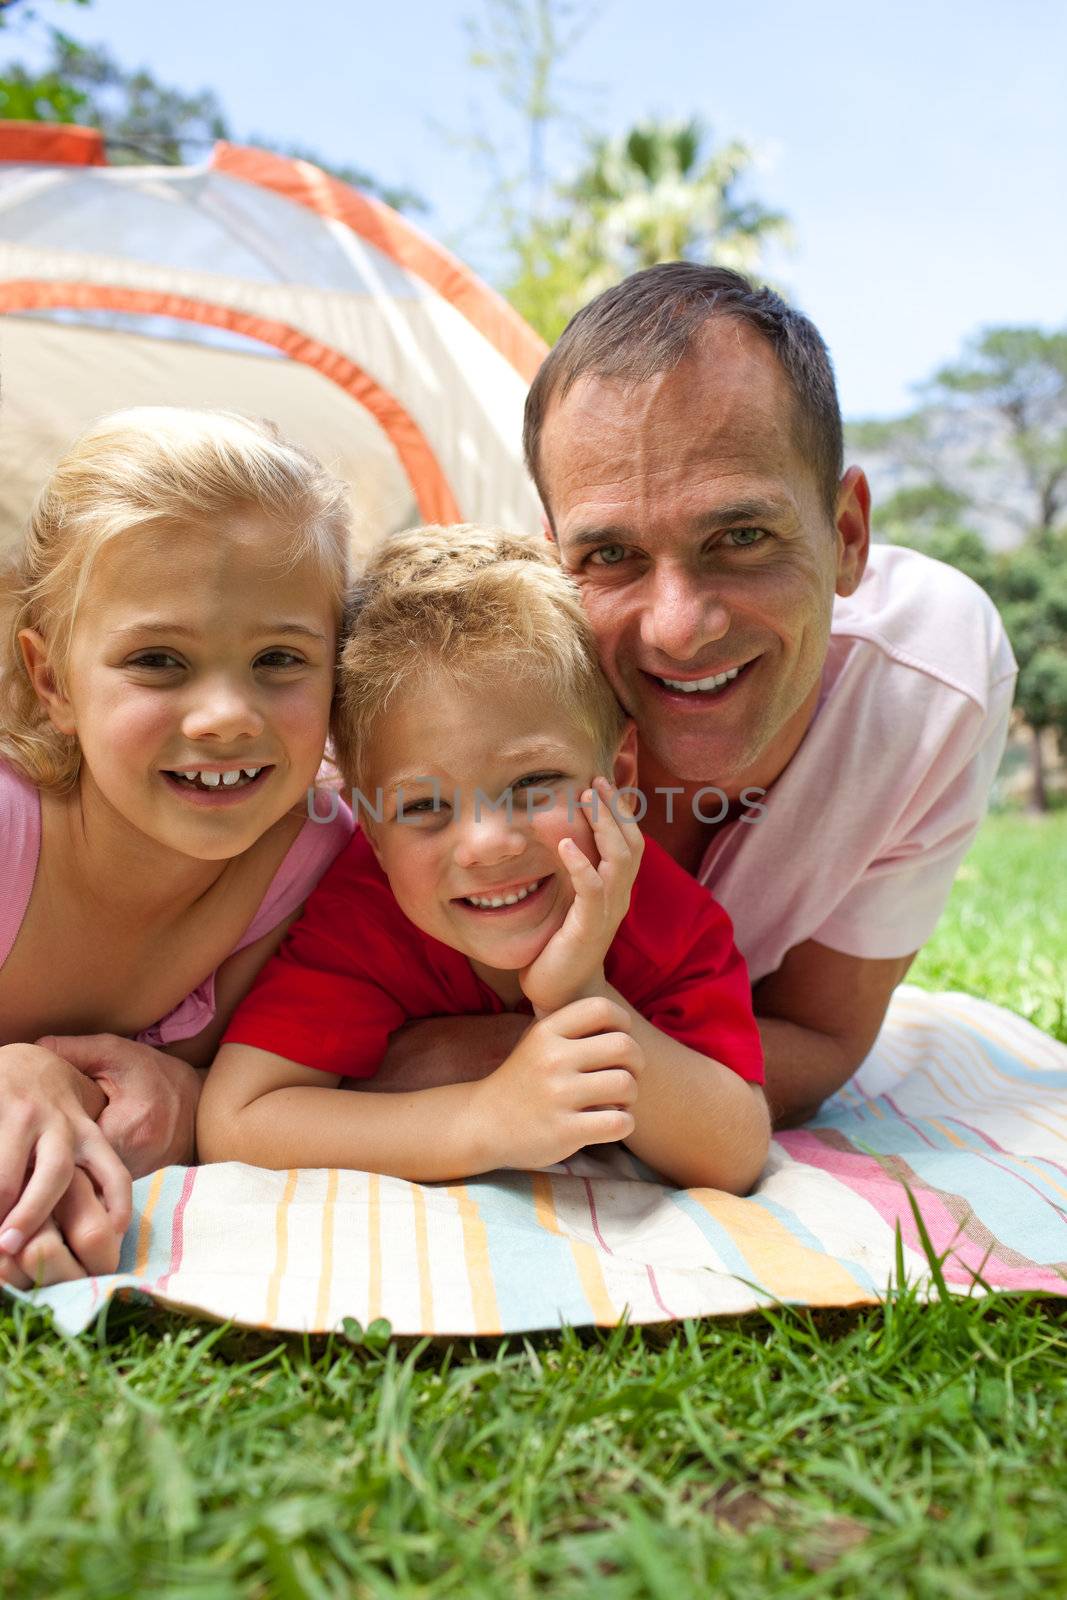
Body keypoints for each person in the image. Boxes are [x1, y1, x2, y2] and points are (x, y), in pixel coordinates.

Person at [373, 265, 1018, 1126]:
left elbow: (816, 1038)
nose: (678, 629)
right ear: (551, 562)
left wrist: (491, 1057)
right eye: (609, 556)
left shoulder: (930, 687)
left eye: (740, 536)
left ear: (847, 536)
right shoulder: (454, 700)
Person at [196, 527, 769, 1193]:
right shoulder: (364, 914)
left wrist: (577, 994)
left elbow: (731, 1151)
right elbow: (237, 1121)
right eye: (420, 807)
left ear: (618, 771)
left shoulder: (664, 919)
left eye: (531, 785)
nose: (487, 843)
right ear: (370, 826)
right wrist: (480, 1120)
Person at [0, 407, 354, 1288]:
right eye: (158, 660)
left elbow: (259, 1084)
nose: (227, 716)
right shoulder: (10, 829)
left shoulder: (308, 860)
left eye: (279, 659)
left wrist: (180, 1098)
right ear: (53, 681)